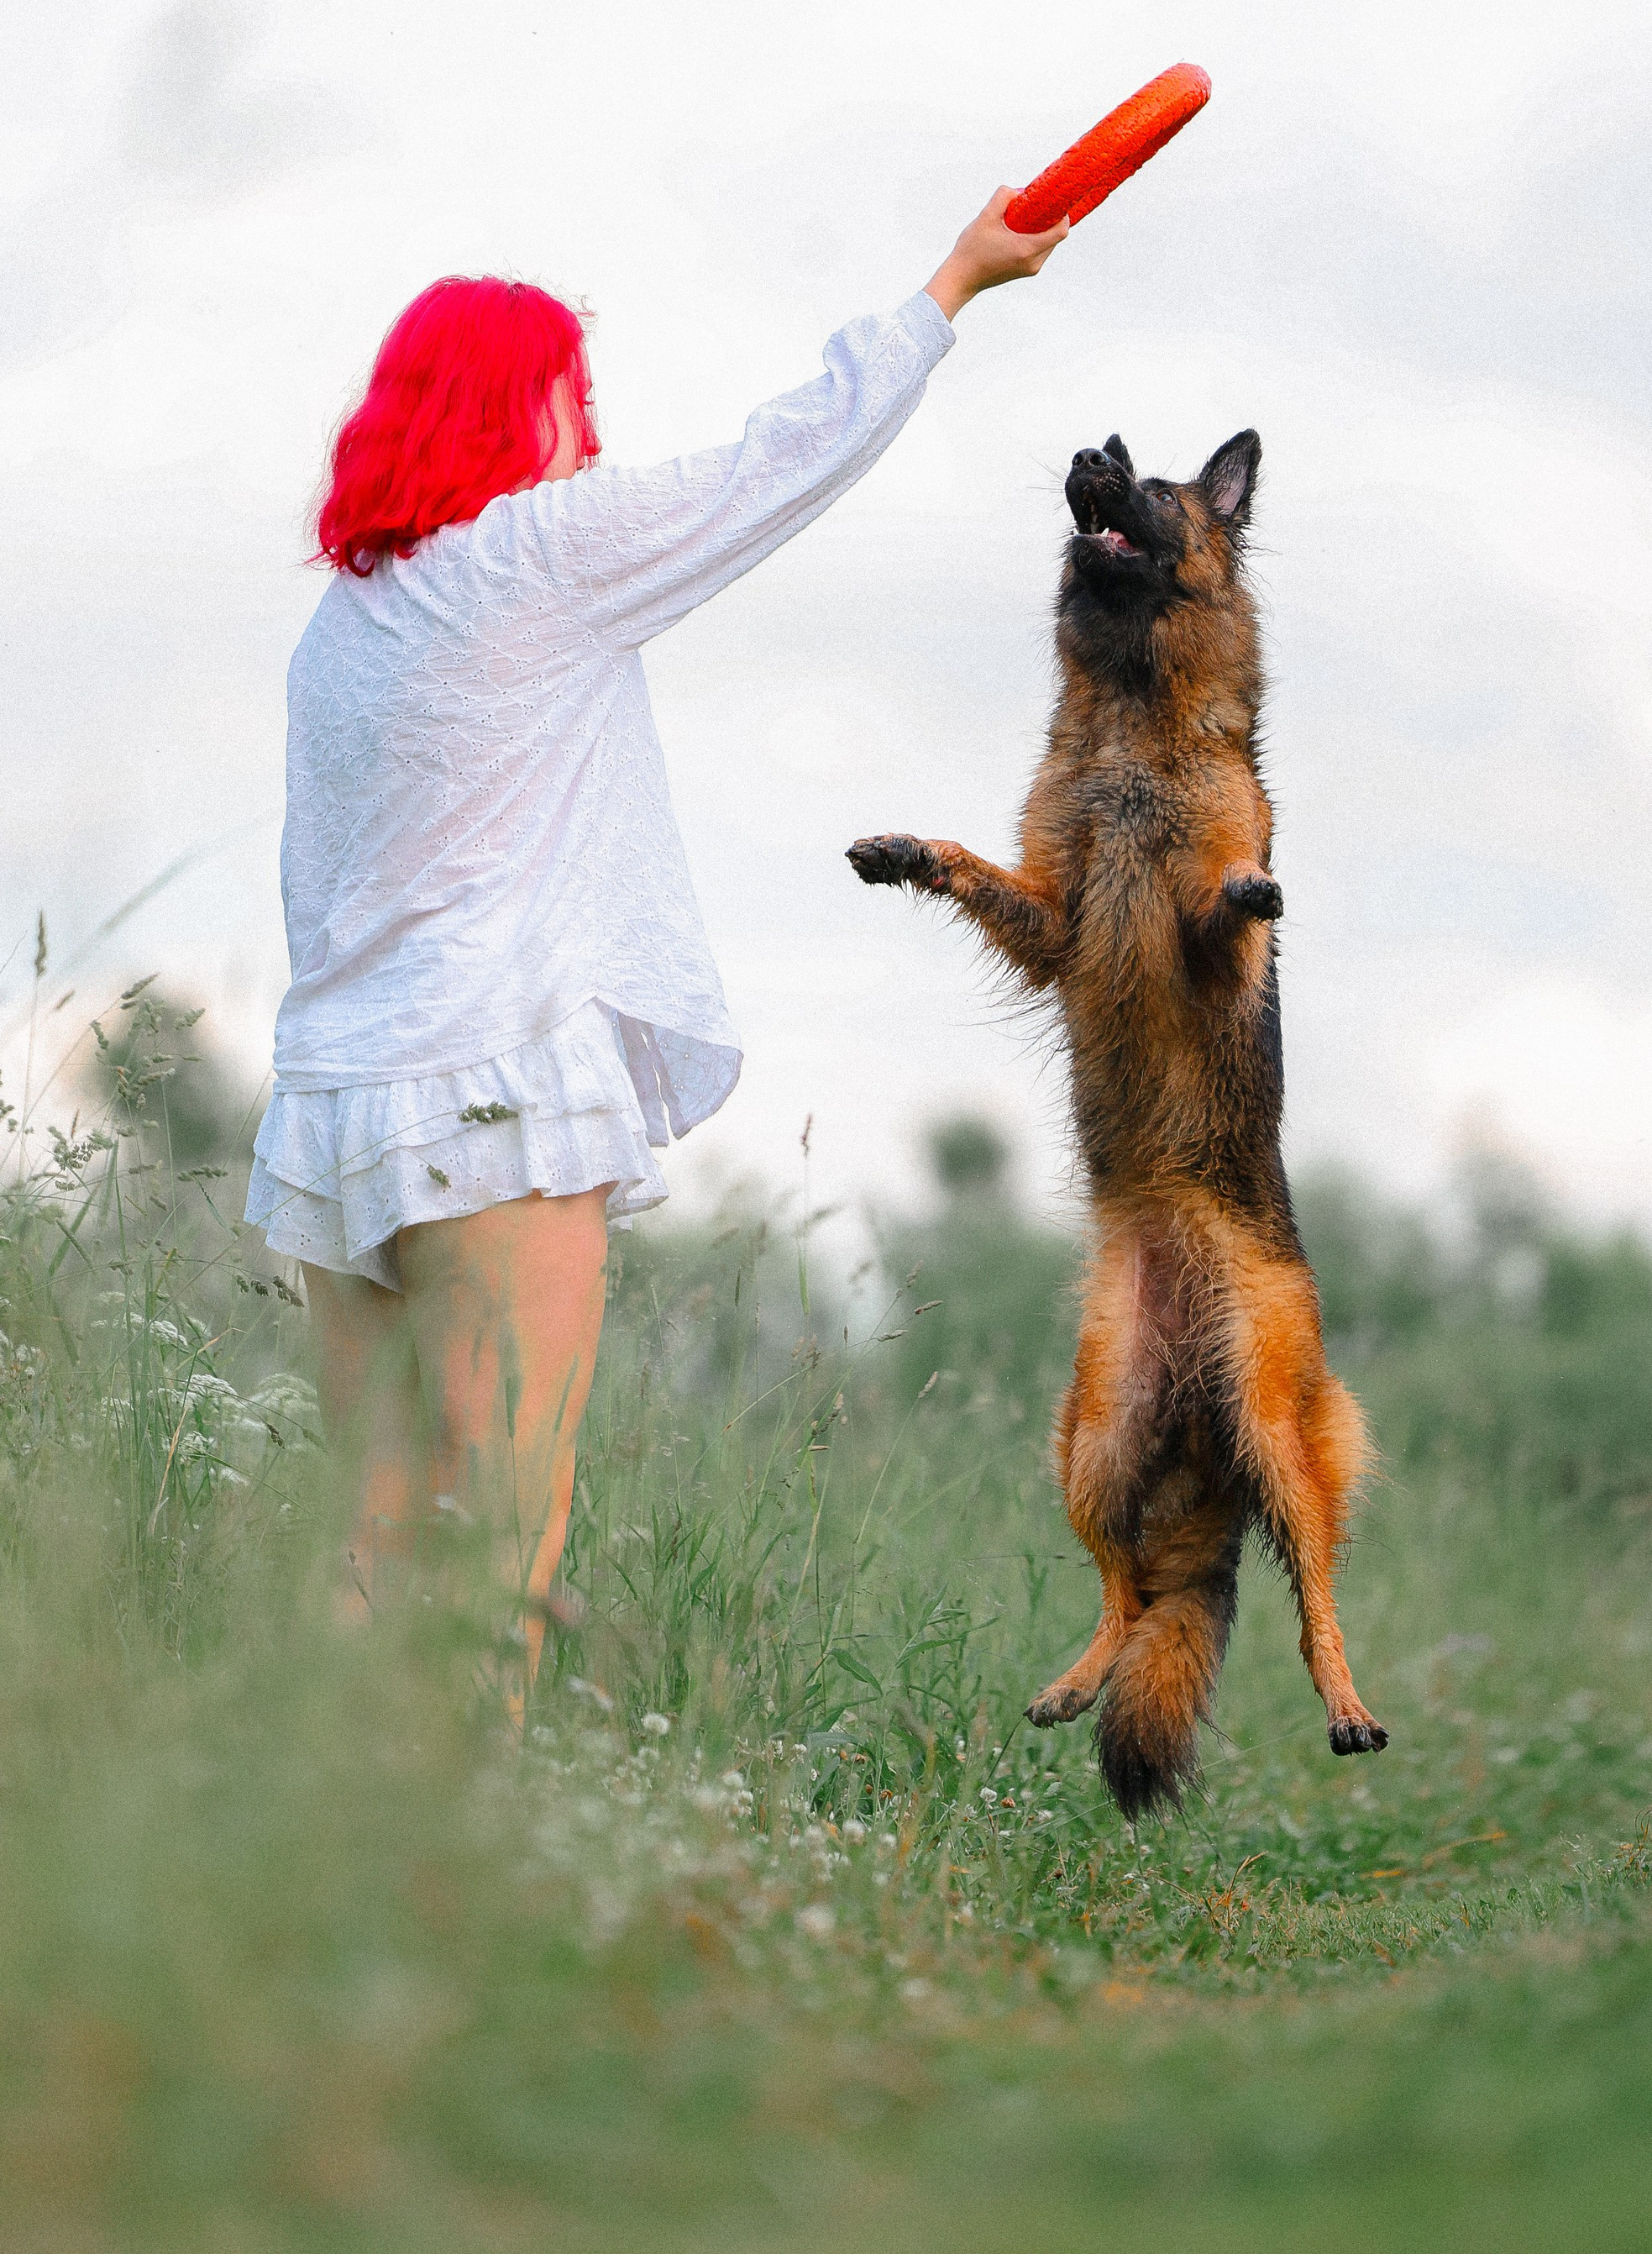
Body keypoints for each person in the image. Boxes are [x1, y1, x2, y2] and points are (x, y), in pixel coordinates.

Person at [246, 185, 1067, 1673]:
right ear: (513, 410)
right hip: (494, 1089)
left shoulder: (342, 629)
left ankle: (321, 1807)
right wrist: (953, 280)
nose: (596, 432)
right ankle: (470, 1812)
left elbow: (315, 887)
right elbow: (782, 461)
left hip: (336, 1103)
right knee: (506, 1525)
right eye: (577, 395)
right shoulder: (538, 553)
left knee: (371, 1531)